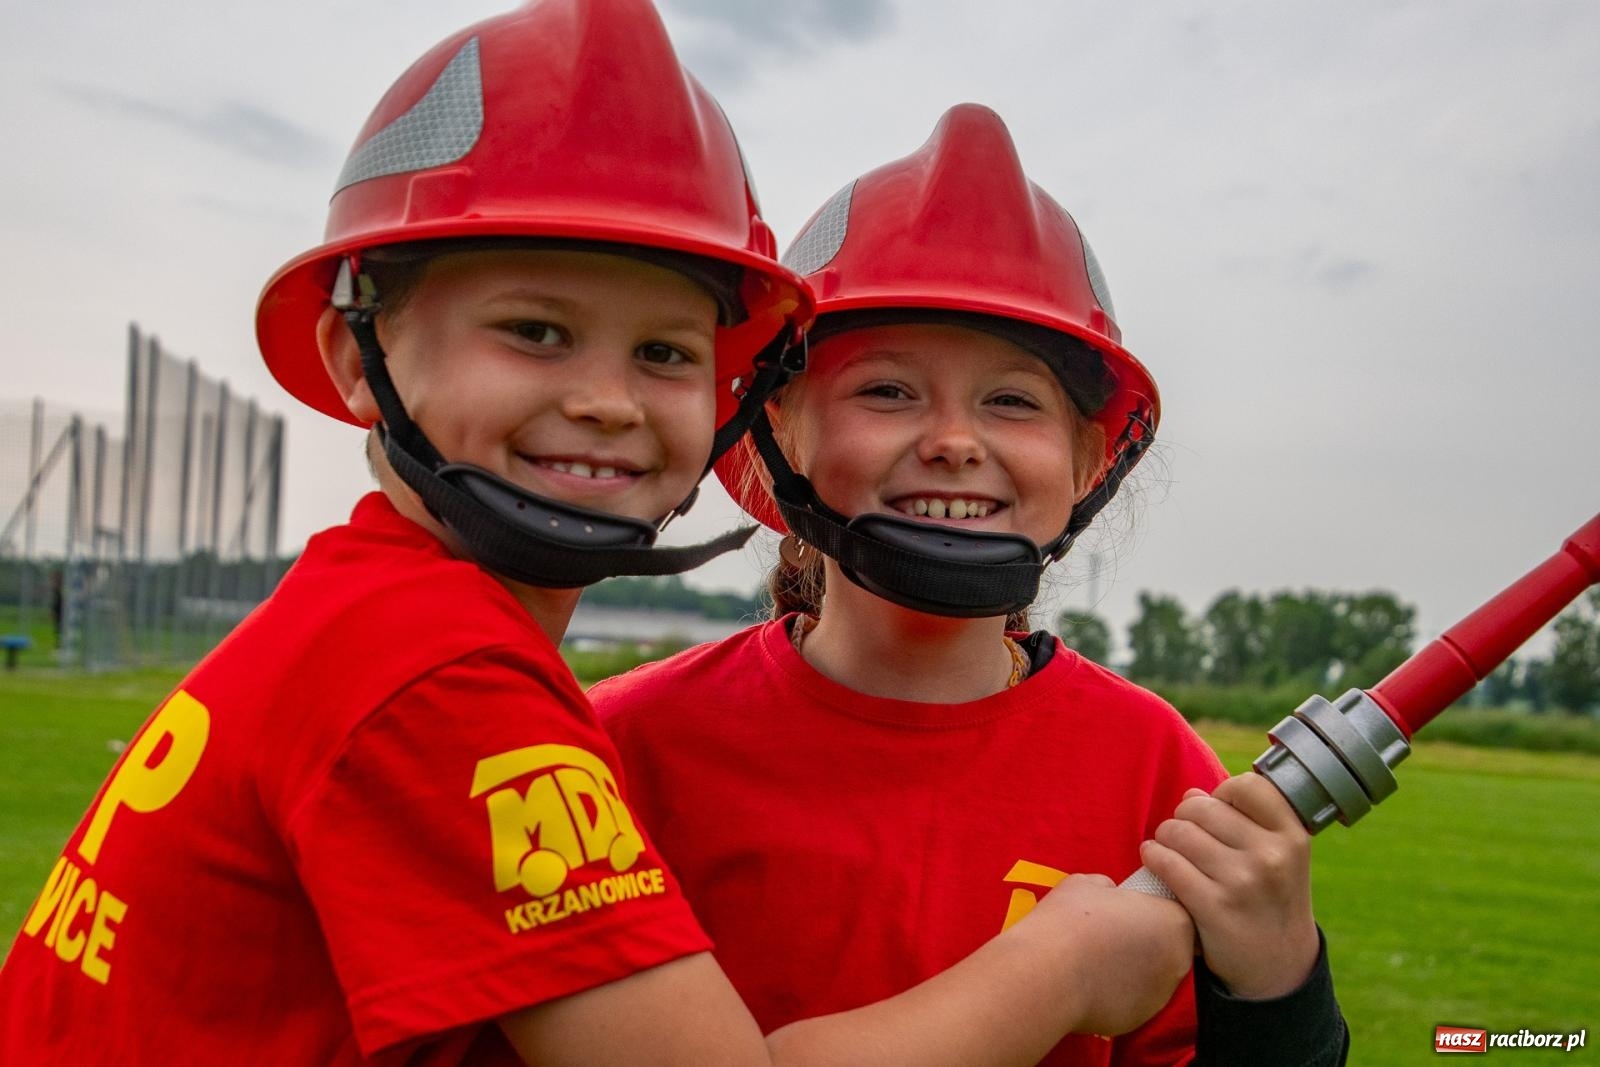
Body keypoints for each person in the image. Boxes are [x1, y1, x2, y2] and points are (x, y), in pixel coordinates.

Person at [0, 8, 1197, 1064]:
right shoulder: (443, 675)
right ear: (353, 352)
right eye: (533, 329)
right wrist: (1065, 966)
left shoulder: (378, 617)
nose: (608, 402)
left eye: (665, 353)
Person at [593, 104, 1350, 1065]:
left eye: (1010, 400)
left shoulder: (1159, 771)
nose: (954, 441)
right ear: (779, 430)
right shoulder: (621, 747)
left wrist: (1281, 987)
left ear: (1089, 460)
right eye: (887, 390)